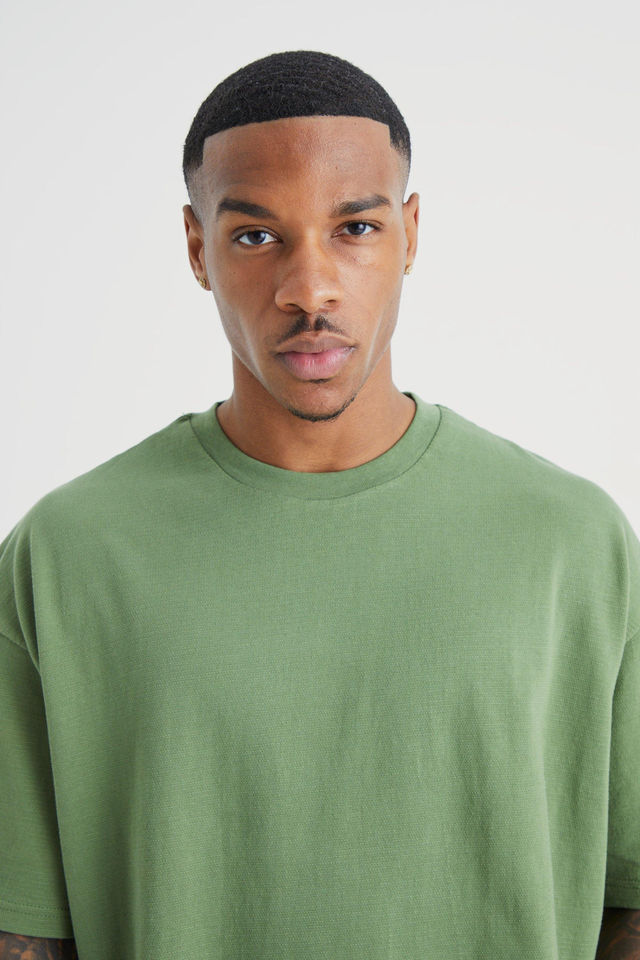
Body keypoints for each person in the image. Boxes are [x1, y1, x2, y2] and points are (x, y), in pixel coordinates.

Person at [0, 50, 638, 960]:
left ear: (409, 234)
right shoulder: (66, 555)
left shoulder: (575, 544)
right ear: (197, 248)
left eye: (356, 228)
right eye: (256, 236)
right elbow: (25, 931)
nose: (310, 290)